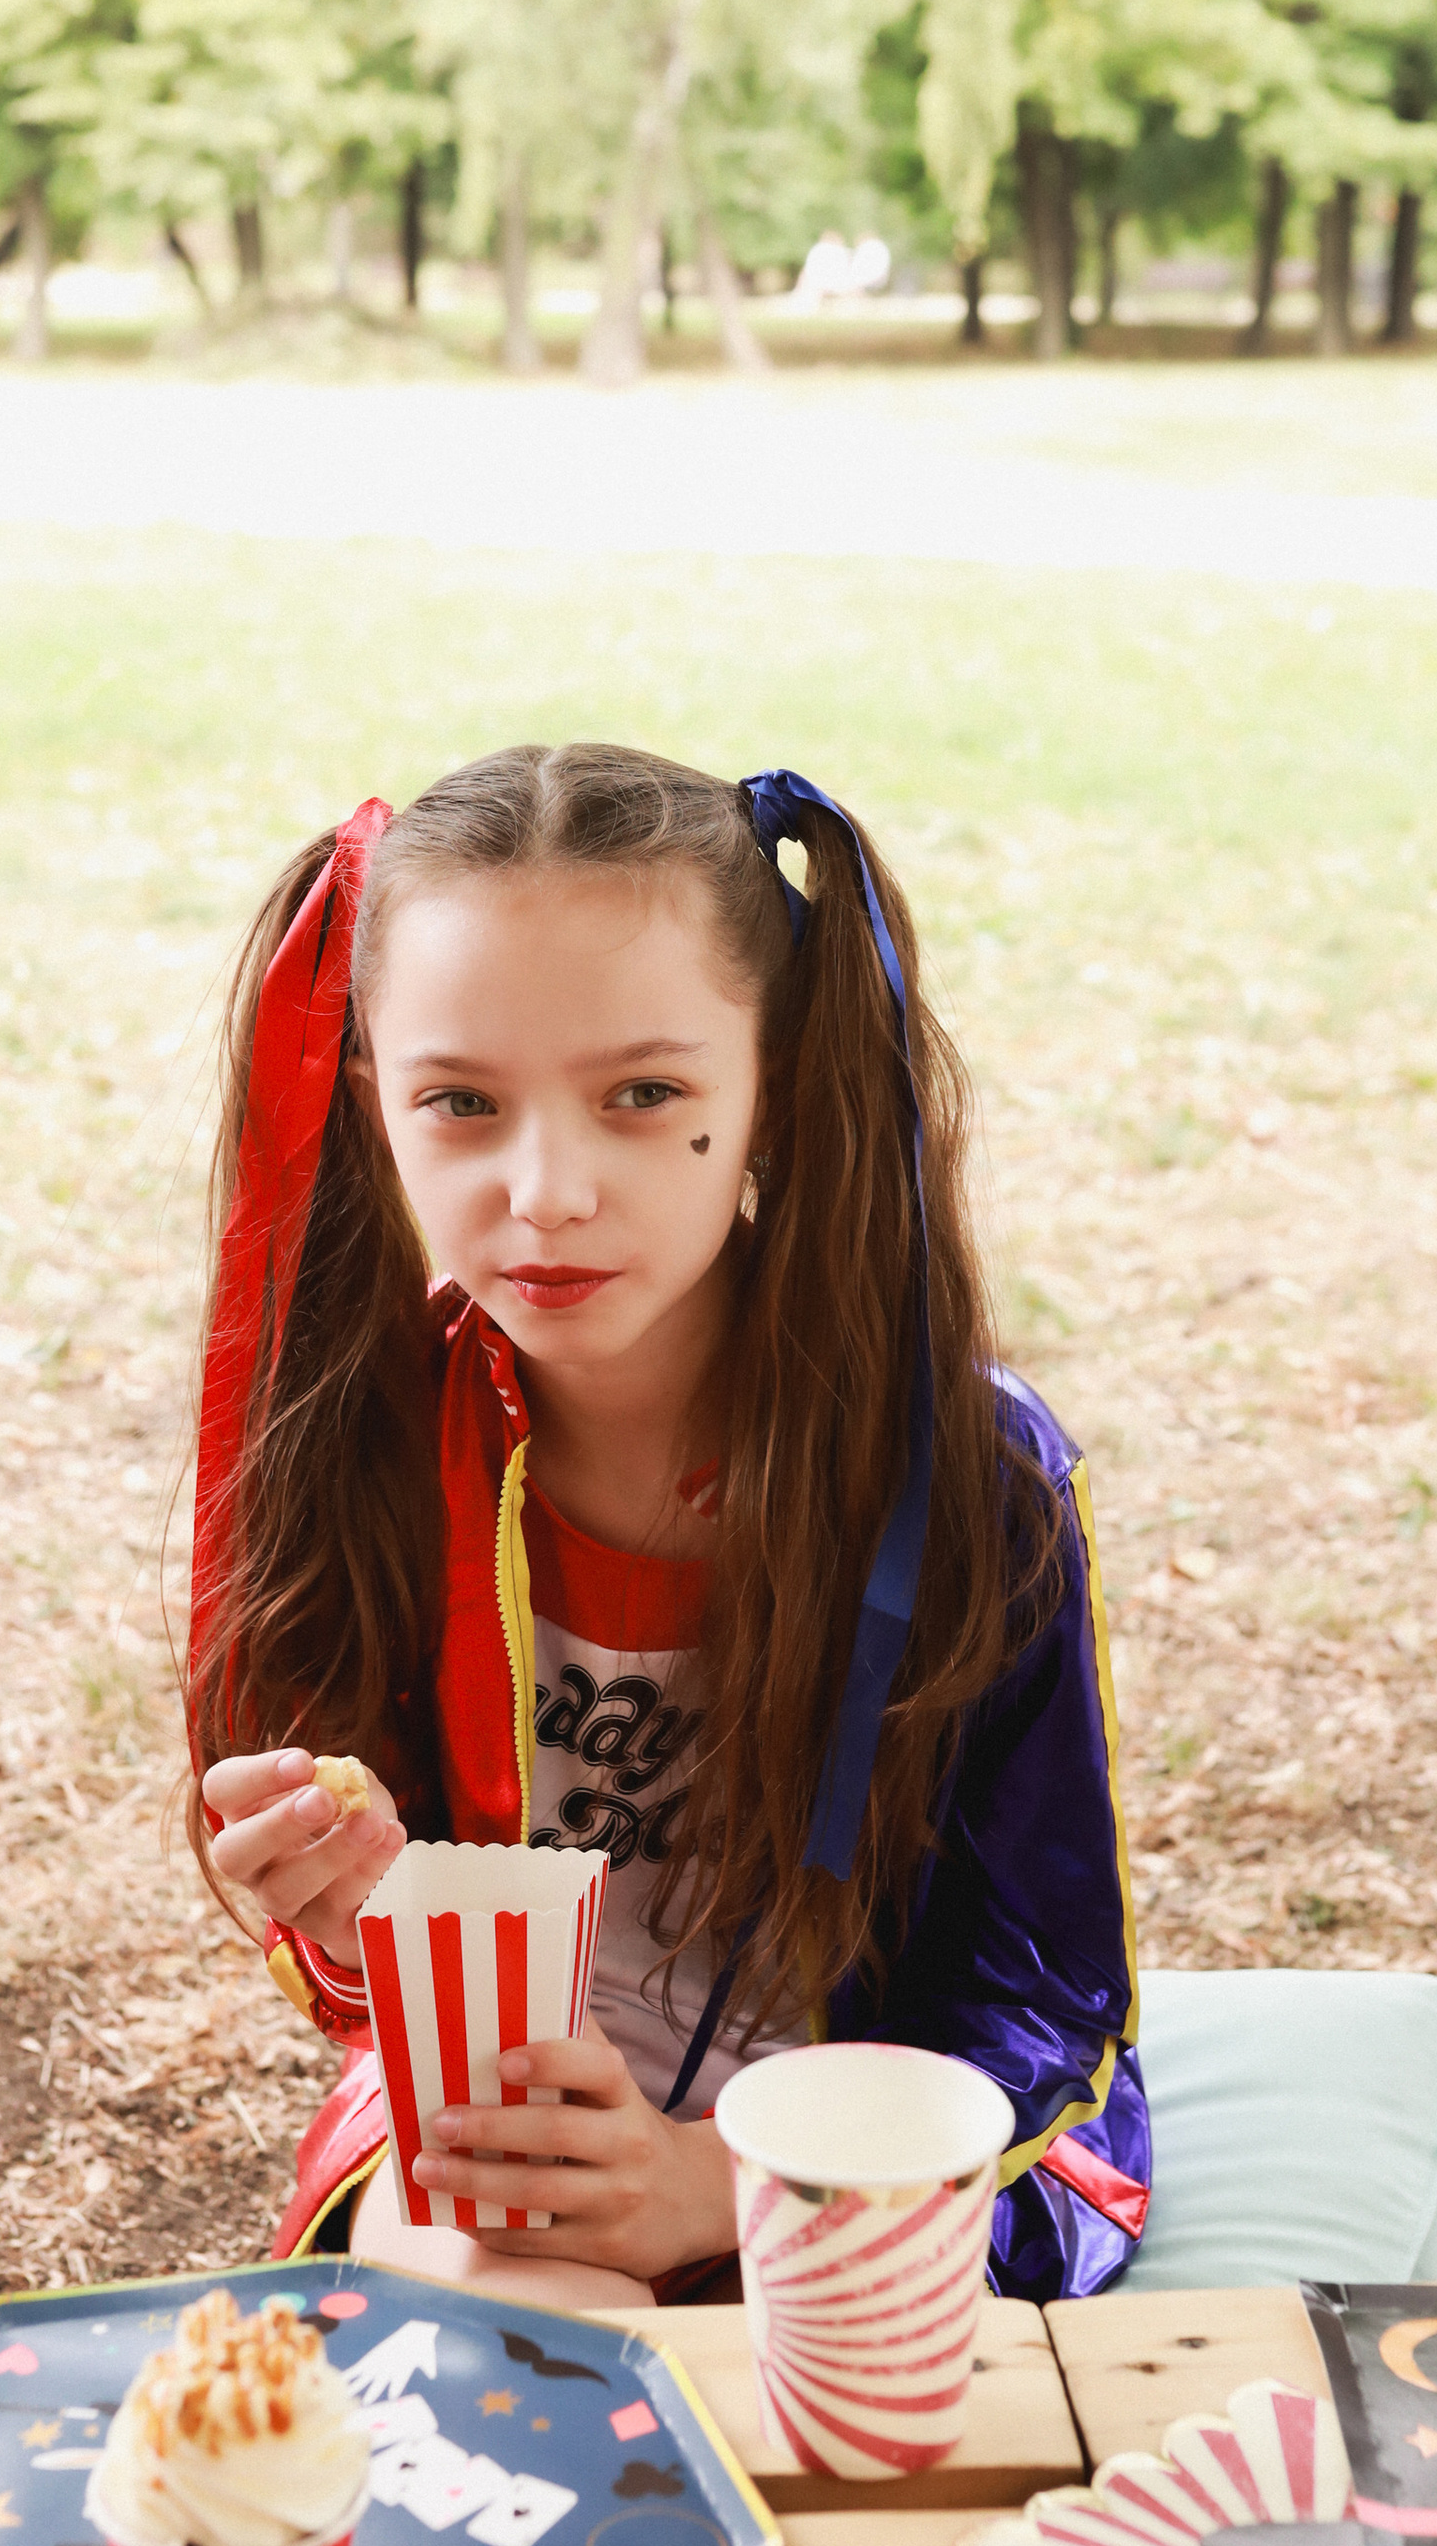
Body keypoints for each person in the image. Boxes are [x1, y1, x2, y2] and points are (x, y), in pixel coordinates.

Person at [181, 746, 1147, 2312]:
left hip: (892, 2133)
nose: (548, 1189)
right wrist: (371, 1921)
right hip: (504, 2119)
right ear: (375, 1108)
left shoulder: (967, 1477)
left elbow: (1035, 1991)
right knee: (502, 2286)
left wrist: (715, 2183)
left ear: (776, 1082)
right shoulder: (359, 1436)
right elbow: (371, 1994)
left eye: (645, 1095)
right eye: (461, 1102)